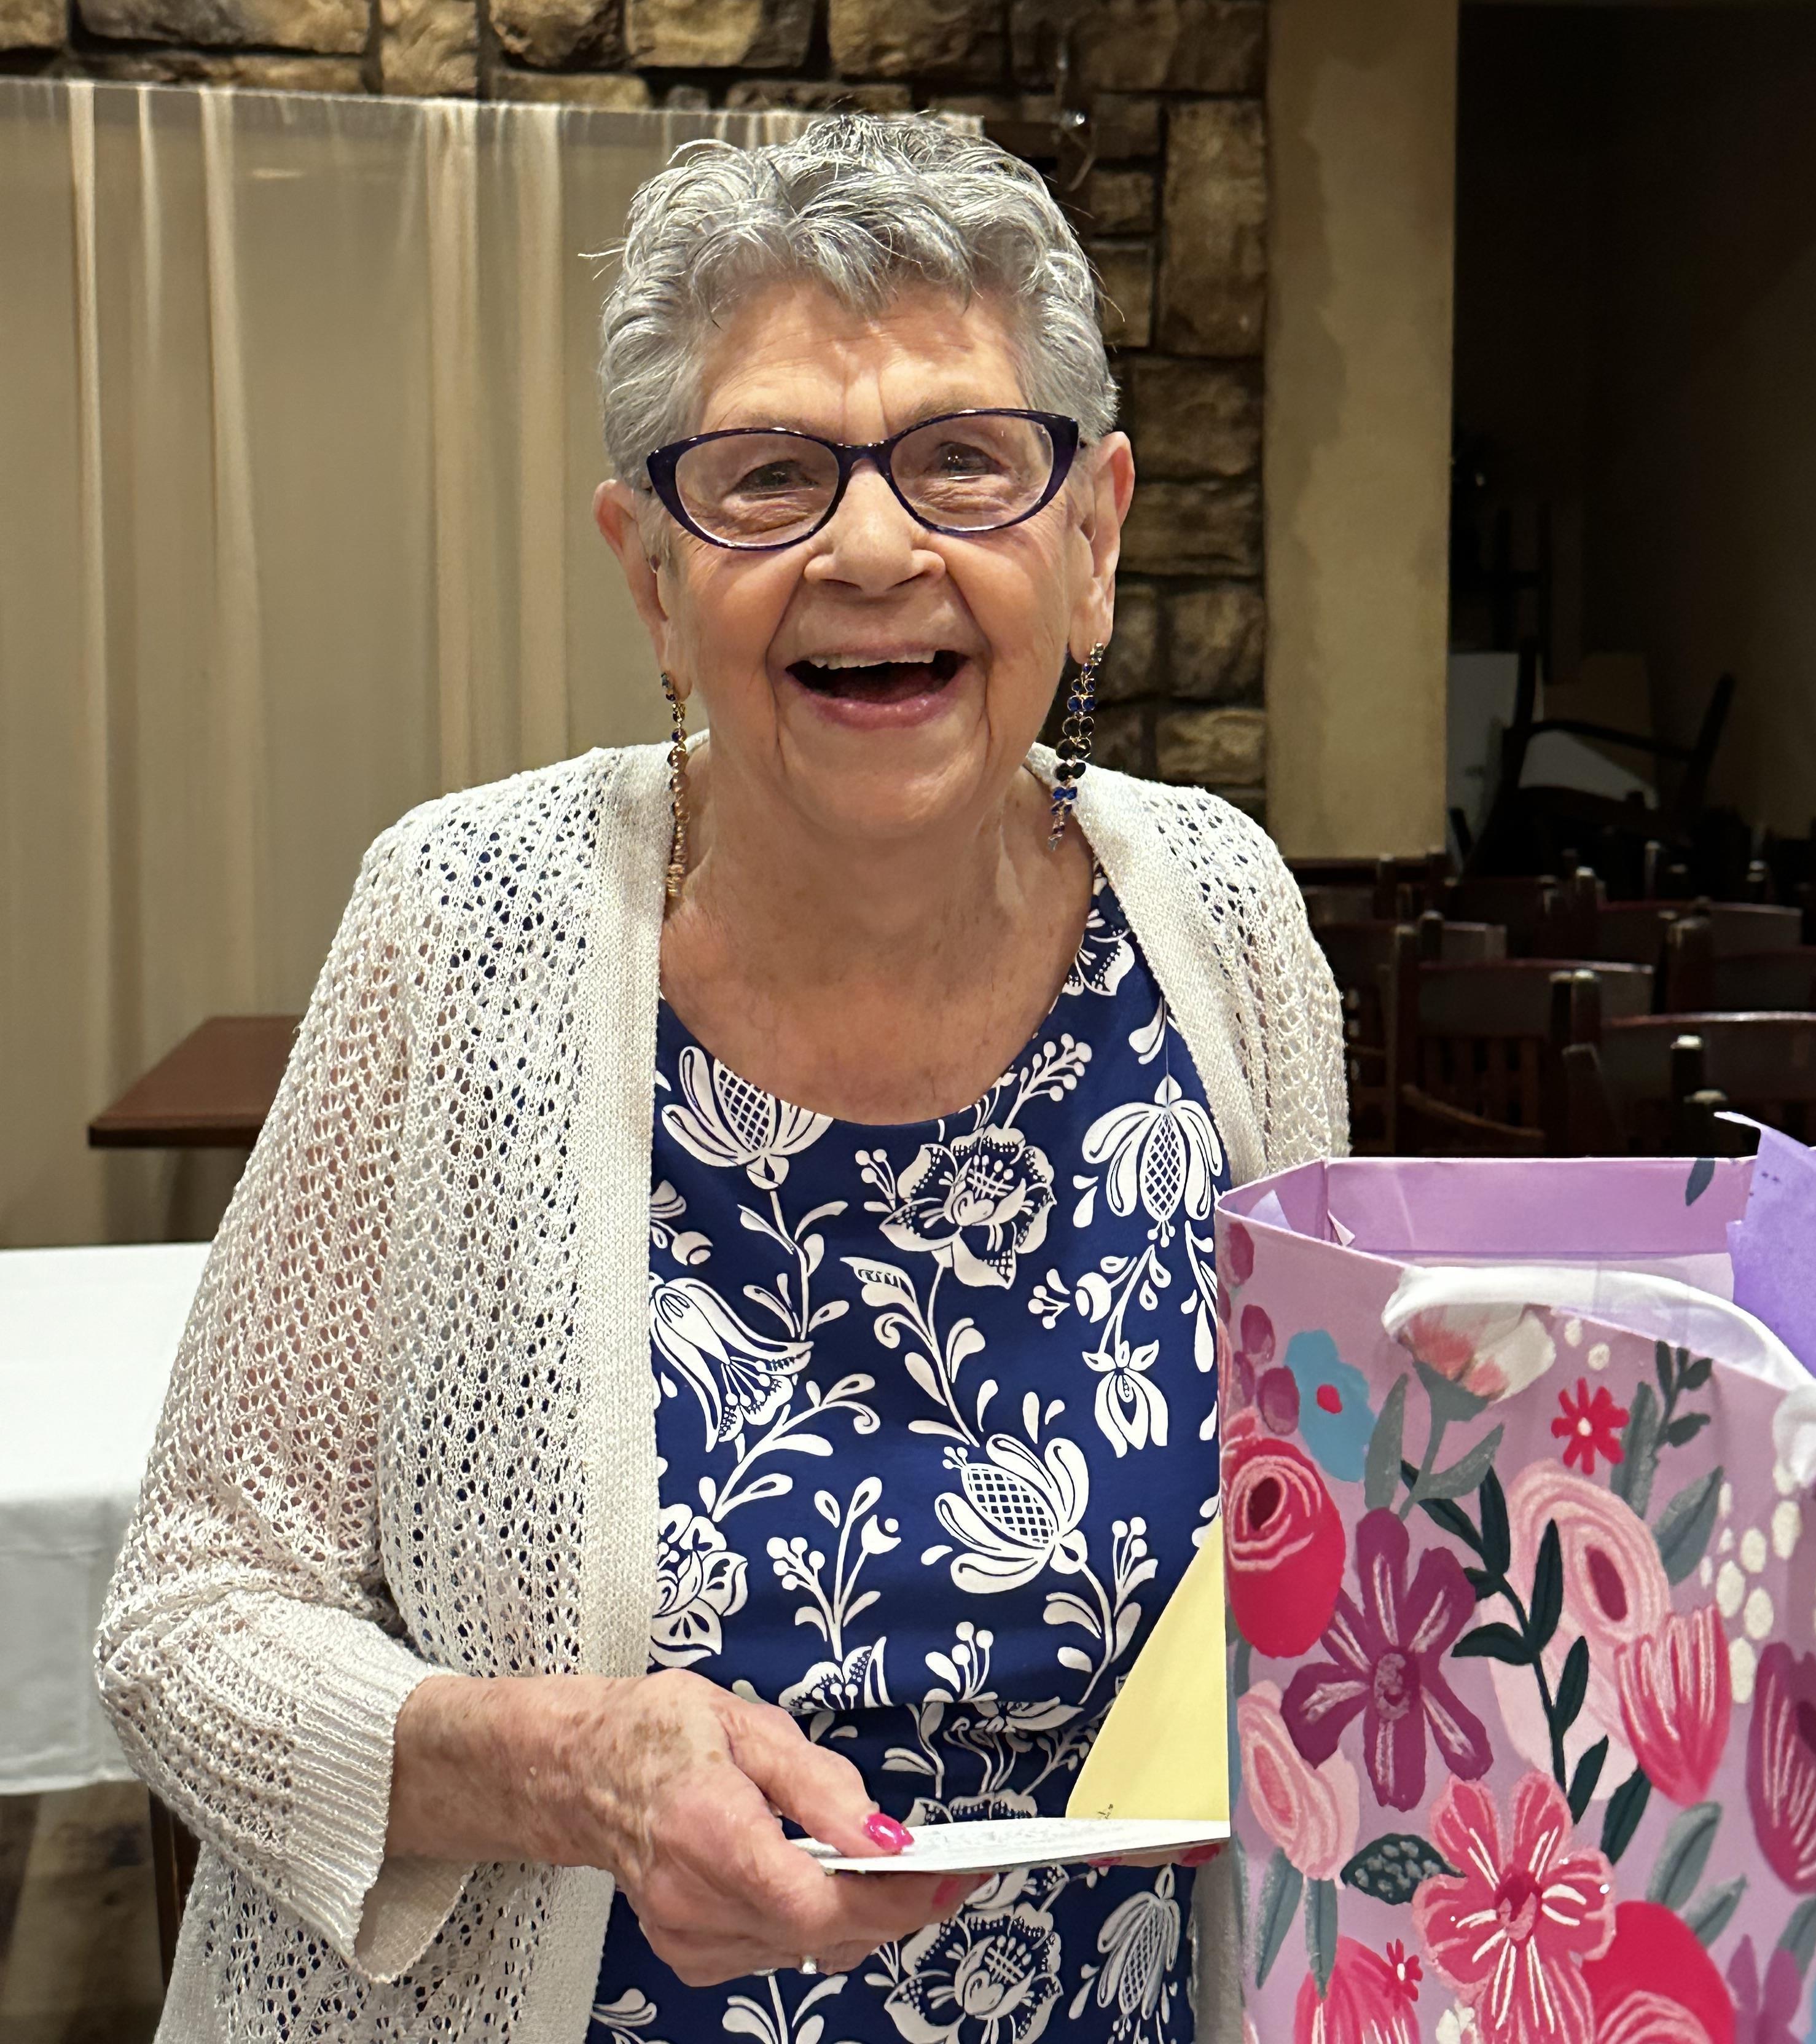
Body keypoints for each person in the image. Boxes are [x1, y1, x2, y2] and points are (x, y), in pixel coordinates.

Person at [98, 116, 1347, 2044]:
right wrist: (570, 1767)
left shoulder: (1228, 925)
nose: (871, 545)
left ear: (1090, 540)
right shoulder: (461, 921)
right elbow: (188, 1615)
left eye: (962, 460)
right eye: (768, 477)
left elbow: (1324, 1545)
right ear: (655, 575)